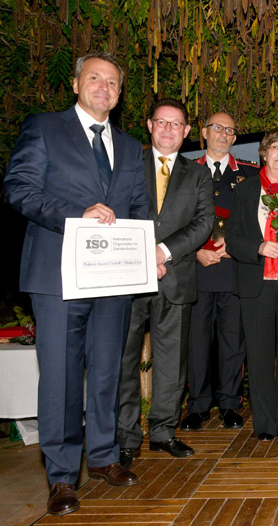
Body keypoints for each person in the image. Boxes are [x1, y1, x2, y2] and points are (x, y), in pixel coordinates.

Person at [4, 51, 148, 515]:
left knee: (107, 368)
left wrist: (144, 253)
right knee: (62, 375)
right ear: (76, 84)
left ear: (120, 93)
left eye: (112, 82)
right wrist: (74, 219)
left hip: (113, 277)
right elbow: (19, 188)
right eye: (94, 78)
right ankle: (62, 476)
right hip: (57, 274)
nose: (103, 87)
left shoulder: (130, 146)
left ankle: (104, 456)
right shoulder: (44, 128)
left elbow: (140, 208)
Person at [116, 98, 215, 466]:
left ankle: (162, 432)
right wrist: (142, 255)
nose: (169, 129)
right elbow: (117, 213)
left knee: (172, 362)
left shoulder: (199, 174)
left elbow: (204, 223)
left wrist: (162, 252)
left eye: (177, 124)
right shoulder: (127, 166)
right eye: (162, 122)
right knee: (124, 360)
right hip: (127, 276)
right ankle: (126, 437)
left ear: (188, 132)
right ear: (149, 125)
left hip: (175, 277)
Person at [226, 127, 278, 441]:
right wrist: (258, 248)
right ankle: (263, 423)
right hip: (257, 282)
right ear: (264, 152)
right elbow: (233, 239)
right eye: (275, 148)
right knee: (259, 356)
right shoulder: (246, 190)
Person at [180, 112, 258, 432]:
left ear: (235, 138)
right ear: (204, 133)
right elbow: (174, 221)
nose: (223, 134)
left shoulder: (251, 175)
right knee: (196, 342)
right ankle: (197, 406)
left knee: (232, 341)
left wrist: (235, 246)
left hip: (233, 269)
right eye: (217, 128)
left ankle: (229, 403)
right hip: (195, 269)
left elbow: (258, 221)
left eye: (230, 130)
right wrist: (194, 251)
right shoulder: (183, 173)